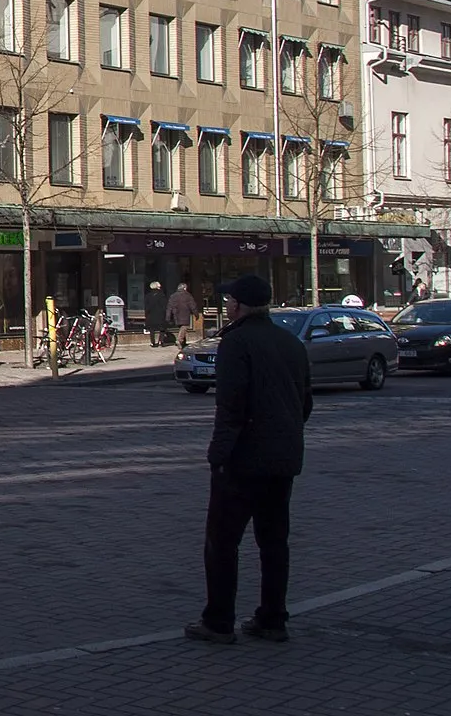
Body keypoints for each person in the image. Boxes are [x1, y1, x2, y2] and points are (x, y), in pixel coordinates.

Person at [185, 274, 311, 645]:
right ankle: (273, 618)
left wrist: (219, 456)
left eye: (229, 301)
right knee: (274, 542)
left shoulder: (236, 343)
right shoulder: (290, 343)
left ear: (238, 306)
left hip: (243, 460)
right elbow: (305, 403)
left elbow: (231, 407)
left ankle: (218, 620)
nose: (227, 306)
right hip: (283, 458)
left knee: (222, 542)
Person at [167, 282, 201, 352]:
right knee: (184, 327)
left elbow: (169, 307)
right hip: (184, 314)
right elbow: (193, 306)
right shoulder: (187, 295)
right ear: (184, 288)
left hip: (176, 315)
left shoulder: (173, 296)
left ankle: (183, 343)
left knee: (181, 328)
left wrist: (168, 316)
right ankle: (179, 340)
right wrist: (196, 314)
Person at [145, 281, 170, 348]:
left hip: (151, 315)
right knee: (162, 329)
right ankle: (160, 341)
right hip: (160, 315)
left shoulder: (148, 295)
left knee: (152, 330)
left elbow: (146, 307)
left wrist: (146, 314)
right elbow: (165, 306)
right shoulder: (162, 295)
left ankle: (153, 343)